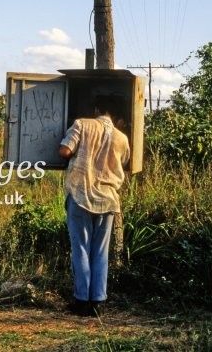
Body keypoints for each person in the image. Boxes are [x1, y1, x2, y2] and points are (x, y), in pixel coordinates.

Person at [58, 96, 130, 317]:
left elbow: (64, 151)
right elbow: (124, 163)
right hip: (108, 199)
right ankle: (98, 302)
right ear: (115, 115)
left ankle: (81, 301)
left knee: (81, 249)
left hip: (81, 195)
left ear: (96, 109)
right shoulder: (122, 138)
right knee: (100, 252)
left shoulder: (82, 124)